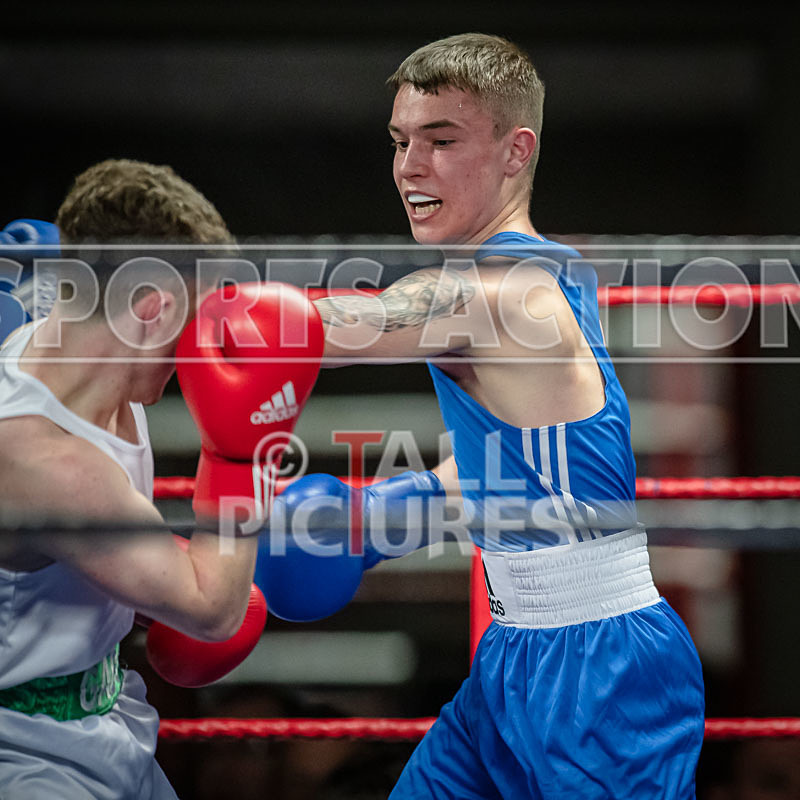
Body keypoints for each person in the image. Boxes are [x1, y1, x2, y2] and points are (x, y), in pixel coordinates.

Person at [256, 33, 705, 799]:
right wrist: (381, 515)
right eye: (400, 141)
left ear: (513, 151)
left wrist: (135, 315)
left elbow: (331, 327)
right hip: (514, 659)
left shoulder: (501, 294)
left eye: (442, 140)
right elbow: (523, 466)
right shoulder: (555, 269)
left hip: (600, 672)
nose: (410, 167)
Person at [0, 159, 321, 798]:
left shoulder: (82, 350)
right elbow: (211, 610)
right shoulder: (43, 459)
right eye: (196, 323)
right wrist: (243, 451)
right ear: (153, 310)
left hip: (113, 715)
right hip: (29, 756)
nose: (203, 349)